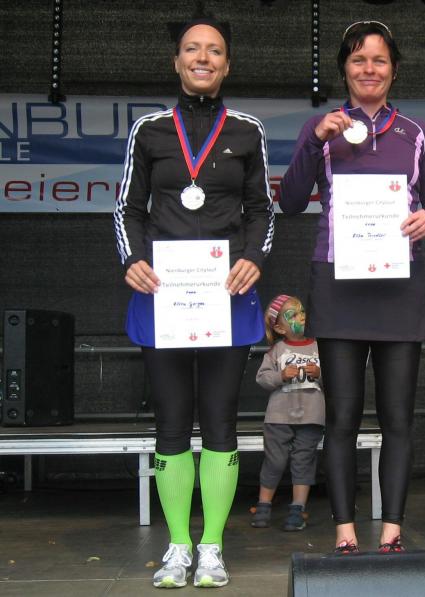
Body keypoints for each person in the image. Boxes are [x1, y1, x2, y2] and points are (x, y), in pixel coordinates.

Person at [113, 16, 275, 588]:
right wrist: (132, 259)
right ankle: (178, 545)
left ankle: (213, 547)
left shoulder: (247, 131)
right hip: (163, 298)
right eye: (192, 49)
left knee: (222, 421)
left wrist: (253, 257)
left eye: (214, 51)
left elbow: (262, 209)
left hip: (226, 296)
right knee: (172, 422)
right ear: (177, 62)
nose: (203, 58)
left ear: (227, 65)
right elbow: (128, 208)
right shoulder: (150, 130)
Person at [279, 21, 425, 554]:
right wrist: (316, 140)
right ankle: (345, 533)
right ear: (344, 69)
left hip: (399, 285)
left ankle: (393, 531)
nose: (369, 69)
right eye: (358, 60)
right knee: (343, 417)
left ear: (393, 69)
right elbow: (290, 201)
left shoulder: (418, 132)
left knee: (398, 416)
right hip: (338, 285)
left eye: (379, 60)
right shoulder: (321, 129)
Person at [251, 295, 324, 532]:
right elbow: (262, 378)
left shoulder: (319, 347)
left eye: (302, 311)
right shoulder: (277, 350)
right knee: (275, 460)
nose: (301, 317)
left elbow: (336, 379)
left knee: (303, 461)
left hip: (311, 416)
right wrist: (281, 376)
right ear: (280, 328)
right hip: (278, 418)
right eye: (292, 315)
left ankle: (297, 509)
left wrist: (320, 373)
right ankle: (264, 505)